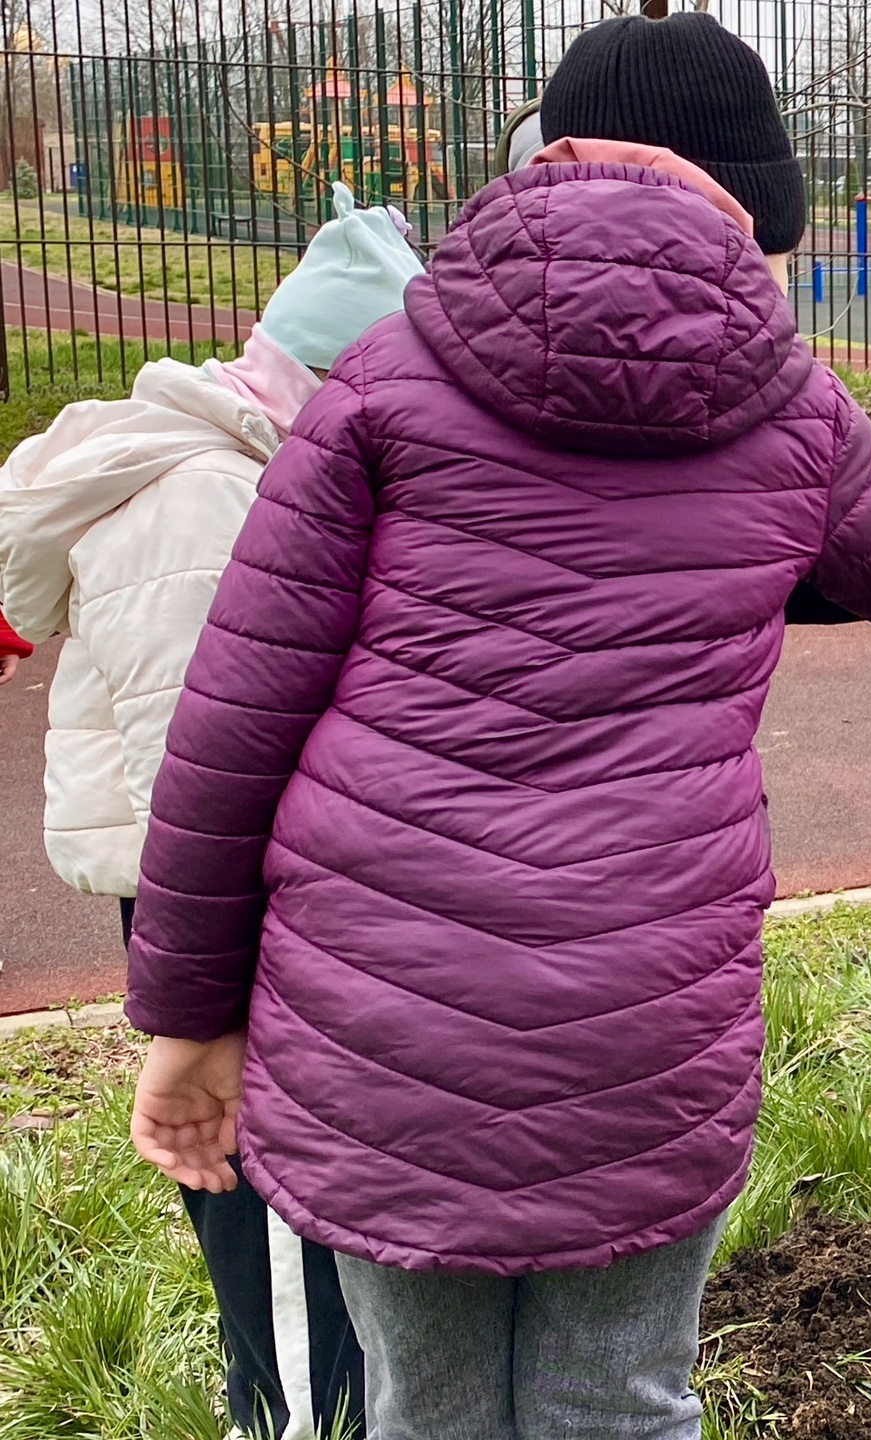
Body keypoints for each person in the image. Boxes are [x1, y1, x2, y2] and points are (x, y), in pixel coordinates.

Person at [118, 15, 871, 1439]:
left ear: (542, 161)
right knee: (623, 1403)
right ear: (755, 213)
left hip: (385, 1019)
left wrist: (186, 1014)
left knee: (426, 1414)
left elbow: (234, 725)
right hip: (641, 1017)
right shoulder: (791, 407)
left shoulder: (384, 380)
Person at [0, 179, 419, 1439]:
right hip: (221, 906)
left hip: (249, 893)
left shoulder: (245, 463)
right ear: (337, 382)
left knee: (302, 1186)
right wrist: (213, 1011)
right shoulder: (205, 501)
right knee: (275, 1207)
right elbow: (204, 778)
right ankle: (298, 1415)